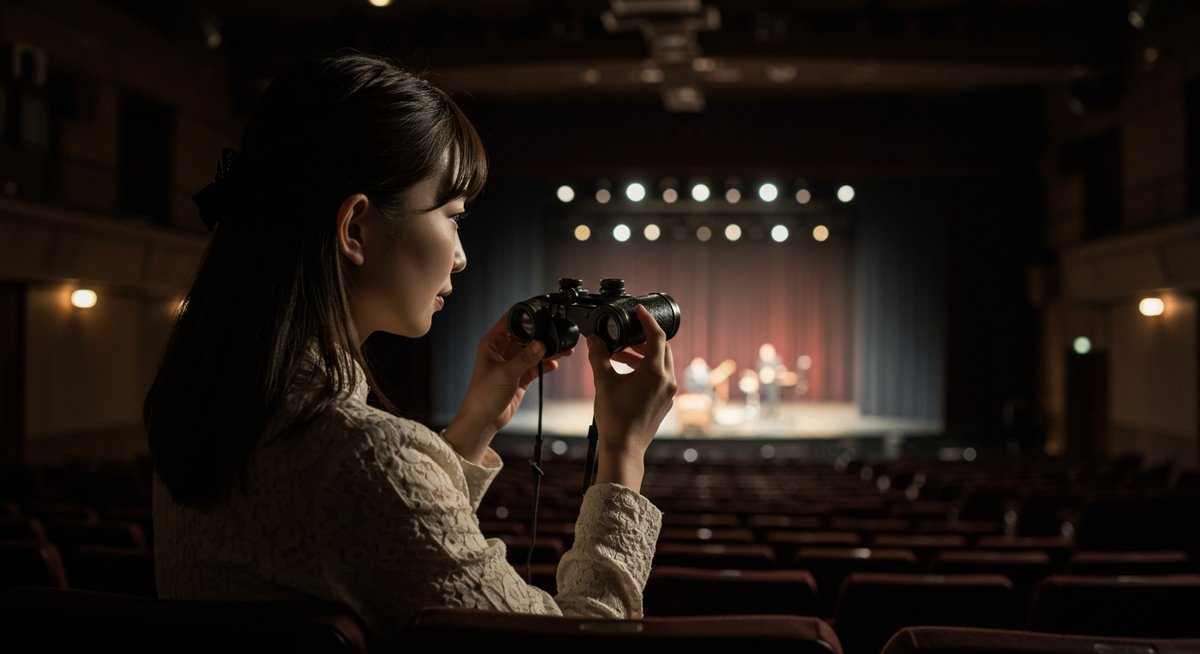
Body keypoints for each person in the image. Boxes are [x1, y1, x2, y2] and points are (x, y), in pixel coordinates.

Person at [143, 51, 677, 649]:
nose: (461, 254)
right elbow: (585, 645)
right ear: (356, 229)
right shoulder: (361, 459)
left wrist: (473, 425)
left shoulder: (209, 418)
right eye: (452, 216)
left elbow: (386, 558)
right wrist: (623, 453)